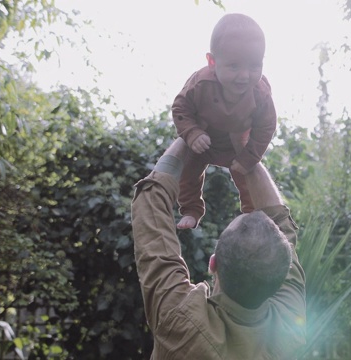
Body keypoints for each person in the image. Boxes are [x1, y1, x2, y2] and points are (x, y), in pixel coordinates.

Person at [131, 138, 306, 359]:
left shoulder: (180, 321)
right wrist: (246, 151)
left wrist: (188, 134)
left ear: (213, 263)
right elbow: (280, 223)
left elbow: (150, 207)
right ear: (283, 275)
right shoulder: (289, 329)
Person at [172, 13, 277, 229]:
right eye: (234, 66)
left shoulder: (261, 93)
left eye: (254, 66)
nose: (244, 76)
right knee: (188, 170)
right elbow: (181, 107)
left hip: (238, 143)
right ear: (212, 62)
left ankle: (251, 213)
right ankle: (191, 209)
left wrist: (250, 156)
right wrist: (192, 133)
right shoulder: (200, 84)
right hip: (204, 138)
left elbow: (266, 126)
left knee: (247, 176)